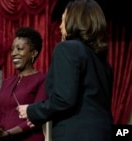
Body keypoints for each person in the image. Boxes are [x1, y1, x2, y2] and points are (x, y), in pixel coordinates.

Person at [17, 0, 114, 141]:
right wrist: (41, 116)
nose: (60, 26)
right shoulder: (104, 64)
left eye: (63, 20)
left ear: (74, 21)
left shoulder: (67, 48)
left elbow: (64, 100)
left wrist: (31, 111)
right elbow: (84, 103)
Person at [0, 27, 48, 141]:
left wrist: (8, 133)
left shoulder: (42, 79)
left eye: (19, 49)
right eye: (12, 49)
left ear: (33, 53)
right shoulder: (6, 82)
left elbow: (37, 117)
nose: (13, 53)